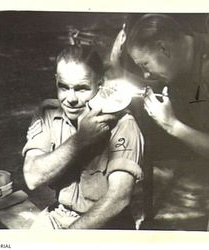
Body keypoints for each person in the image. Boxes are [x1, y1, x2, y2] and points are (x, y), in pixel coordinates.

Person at [125, 14, 209, 231]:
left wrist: (171, 124)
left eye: (145, 64)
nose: (146, 73)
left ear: (164, 48)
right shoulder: (190, 49)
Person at [22, 45, 144, 229]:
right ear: (56, 80)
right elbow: (32, 177)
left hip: (105, 227)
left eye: (81, 89)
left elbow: (119, 198)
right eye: (63, 87)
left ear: (100, 84)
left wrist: (69, 238)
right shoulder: (47, 113)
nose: (70, 99)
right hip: (58, 215)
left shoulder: (123, 124)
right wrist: (80, 140)